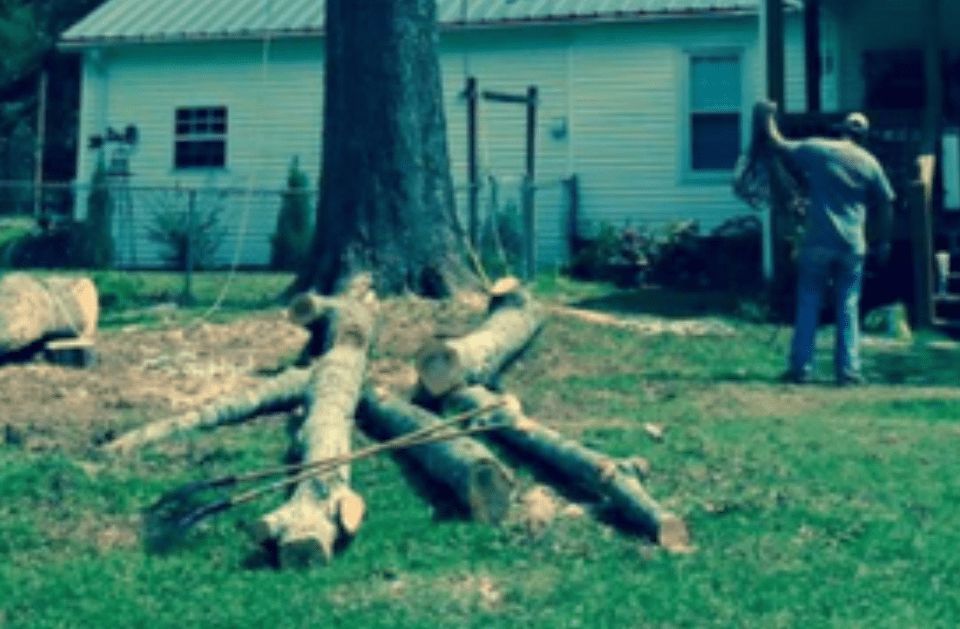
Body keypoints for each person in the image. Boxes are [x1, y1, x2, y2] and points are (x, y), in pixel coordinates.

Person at [755, 102, 896, 386]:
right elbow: (887, 202)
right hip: (852, 245)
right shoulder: (870, 162)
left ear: (842, 131)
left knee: (809, 302)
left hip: (818, 241)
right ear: (864, 137)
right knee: (848, 305)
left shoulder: (819, 150)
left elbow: (777, 142)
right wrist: (883, 241)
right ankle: (848, 372)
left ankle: (801, 369)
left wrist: (766, 115)